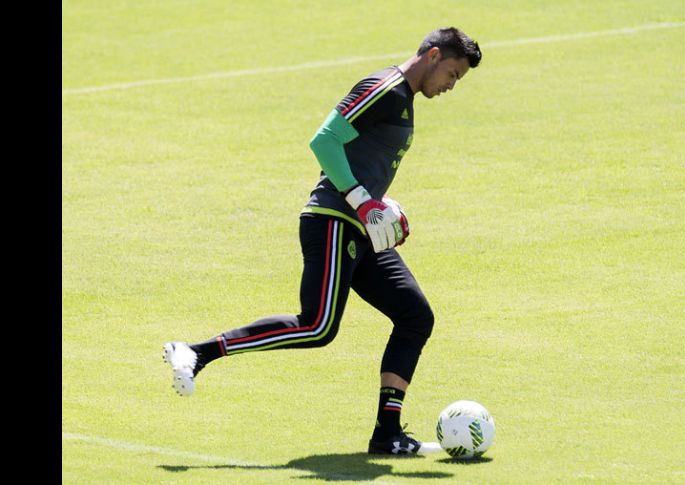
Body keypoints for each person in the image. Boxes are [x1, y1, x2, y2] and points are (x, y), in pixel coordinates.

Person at [164, 26, 482, 455]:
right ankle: (196, 352)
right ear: (432, 56)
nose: (449, 87)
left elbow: (361, 160)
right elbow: (325, 139)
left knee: (415, 316)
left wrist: (384, 210)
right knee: (317, 325)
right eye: (452, 75)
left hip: (359, 228)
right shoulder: (385, 89)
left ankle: (387, 435)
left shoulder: (403, 100)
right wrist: (361, 201)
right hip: (332, 220)